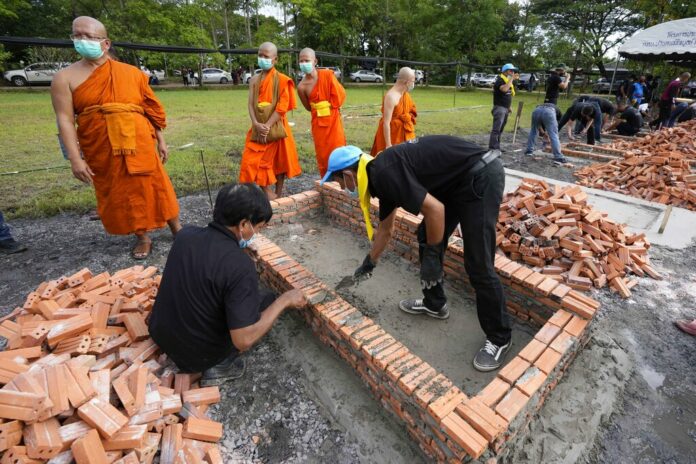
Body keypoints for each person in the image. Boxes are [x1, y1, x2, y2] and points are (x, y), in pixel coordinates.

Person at [322, 137, 512, 372]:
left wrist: (433, 255)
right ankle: (435, 304)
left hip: (481, 175)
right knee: (426, 234)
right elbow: (386, 229)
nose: (341, 188)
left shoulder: (384, 173)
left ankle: (500, 337)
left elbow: (436, 209)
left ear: (349, 175)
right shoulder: (379, 174)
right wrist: (369, 262)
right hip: (458, 181)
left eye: (338, 181)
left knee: (478, 263)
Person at [149, 183, 307, 385]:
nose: (255, 234)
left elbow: (209, 262)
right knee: (268, 300)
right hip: (195, 356)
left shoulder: (185, 235)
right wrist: (285, 300)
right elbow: (243, 340)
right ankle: (220, 366)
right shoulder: (240, 267)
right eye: (257, 228)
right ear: (243, 225)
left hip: (160, 333)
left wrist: (236, 253)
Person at [51, 16, 181, 260]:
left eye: (88, 36)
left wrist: (161, 139)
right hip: (101, 146)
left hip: (139, 140)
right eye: (76, 35)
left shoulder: (132, 74)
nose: (81, 40)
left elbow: (149, 109)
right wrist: (74, 159)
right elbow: (65, 120)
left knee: (157, 184)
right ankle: (142, 237)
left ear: (105, 43)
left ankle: (177, 228)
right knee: (122, 192)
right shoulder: (64, 78)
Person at [239, 42, 301, 200]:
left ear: (275, 59)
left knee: (280, 162)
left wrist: (267, 126)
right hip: (258, 126)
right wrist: (256, 124)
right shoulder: (253, 80)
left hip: (277, 127)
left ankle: (279, 194)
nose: (262, 59)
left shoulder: (282, 80)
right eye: (260, 55)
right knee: (251, 160)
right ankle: (266, 190)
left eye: (266, 56)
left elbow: (282, 107)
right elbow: (250, 104)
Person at [296, 48, 347, 177]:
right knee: (323, 154)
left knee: (339, 151)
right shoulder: (301, 87)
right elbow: (309, 107)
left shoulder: (327, 75)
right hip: (318, 125)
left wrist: (328, 106)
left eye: (306, 60)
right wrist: (320, 107)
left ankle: (342, 181)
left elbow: (340, 96)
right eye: (301, 61)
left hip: (333, 122)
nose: (303, 63)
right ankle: (327, 181)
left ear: (315, 61)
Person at [370, 67, 417, 155]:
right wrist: (388, 145)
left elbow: (411, 110)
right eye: (413, 81)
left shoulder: (404, 93)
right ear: (406, 82)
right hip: (392, 135)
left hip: (405, 131)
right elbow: (386, 123)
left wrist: (408, 117)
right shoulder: (391, 96)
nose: (413, 84)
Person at [489, 63, 519, 151]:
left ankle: (497, 146)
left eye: (513, 71)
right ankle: (492, 148)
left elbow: (508, 95)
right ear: (505, 71)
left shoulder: (507, 81)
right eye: (511, 70)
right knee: (496, 129)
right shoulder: (500, 80)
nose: (513, 72)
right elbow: (504, 89)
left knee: (500, 129)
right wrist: (512, 79)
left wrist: (508, 107)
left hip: (505, 108)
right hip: (499, 108)